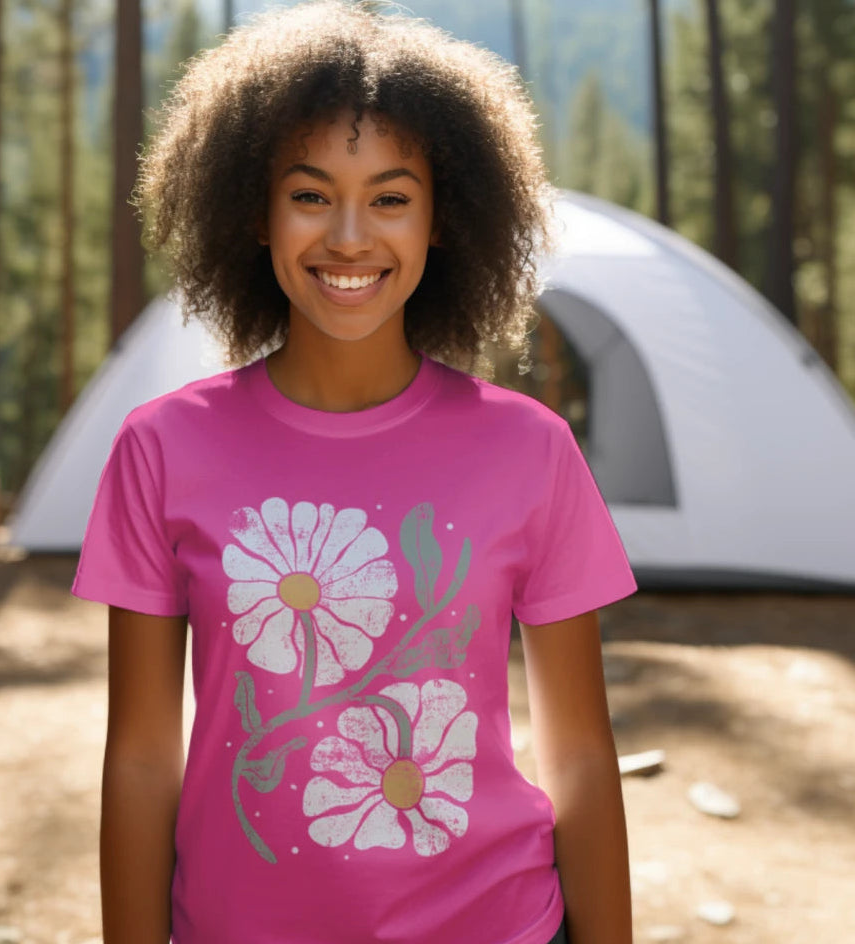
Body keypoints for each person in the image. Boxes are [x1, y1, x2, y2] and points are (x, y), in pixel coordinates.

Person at [72, 3, 637, 942]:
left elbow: (578, 750)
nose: (347, 237)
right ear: (252, 212)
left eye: (389, 197)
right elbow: (138, 756)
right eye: (308, 194)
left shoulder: (532, 449)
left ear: (441, 220)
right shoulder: (160, 448)